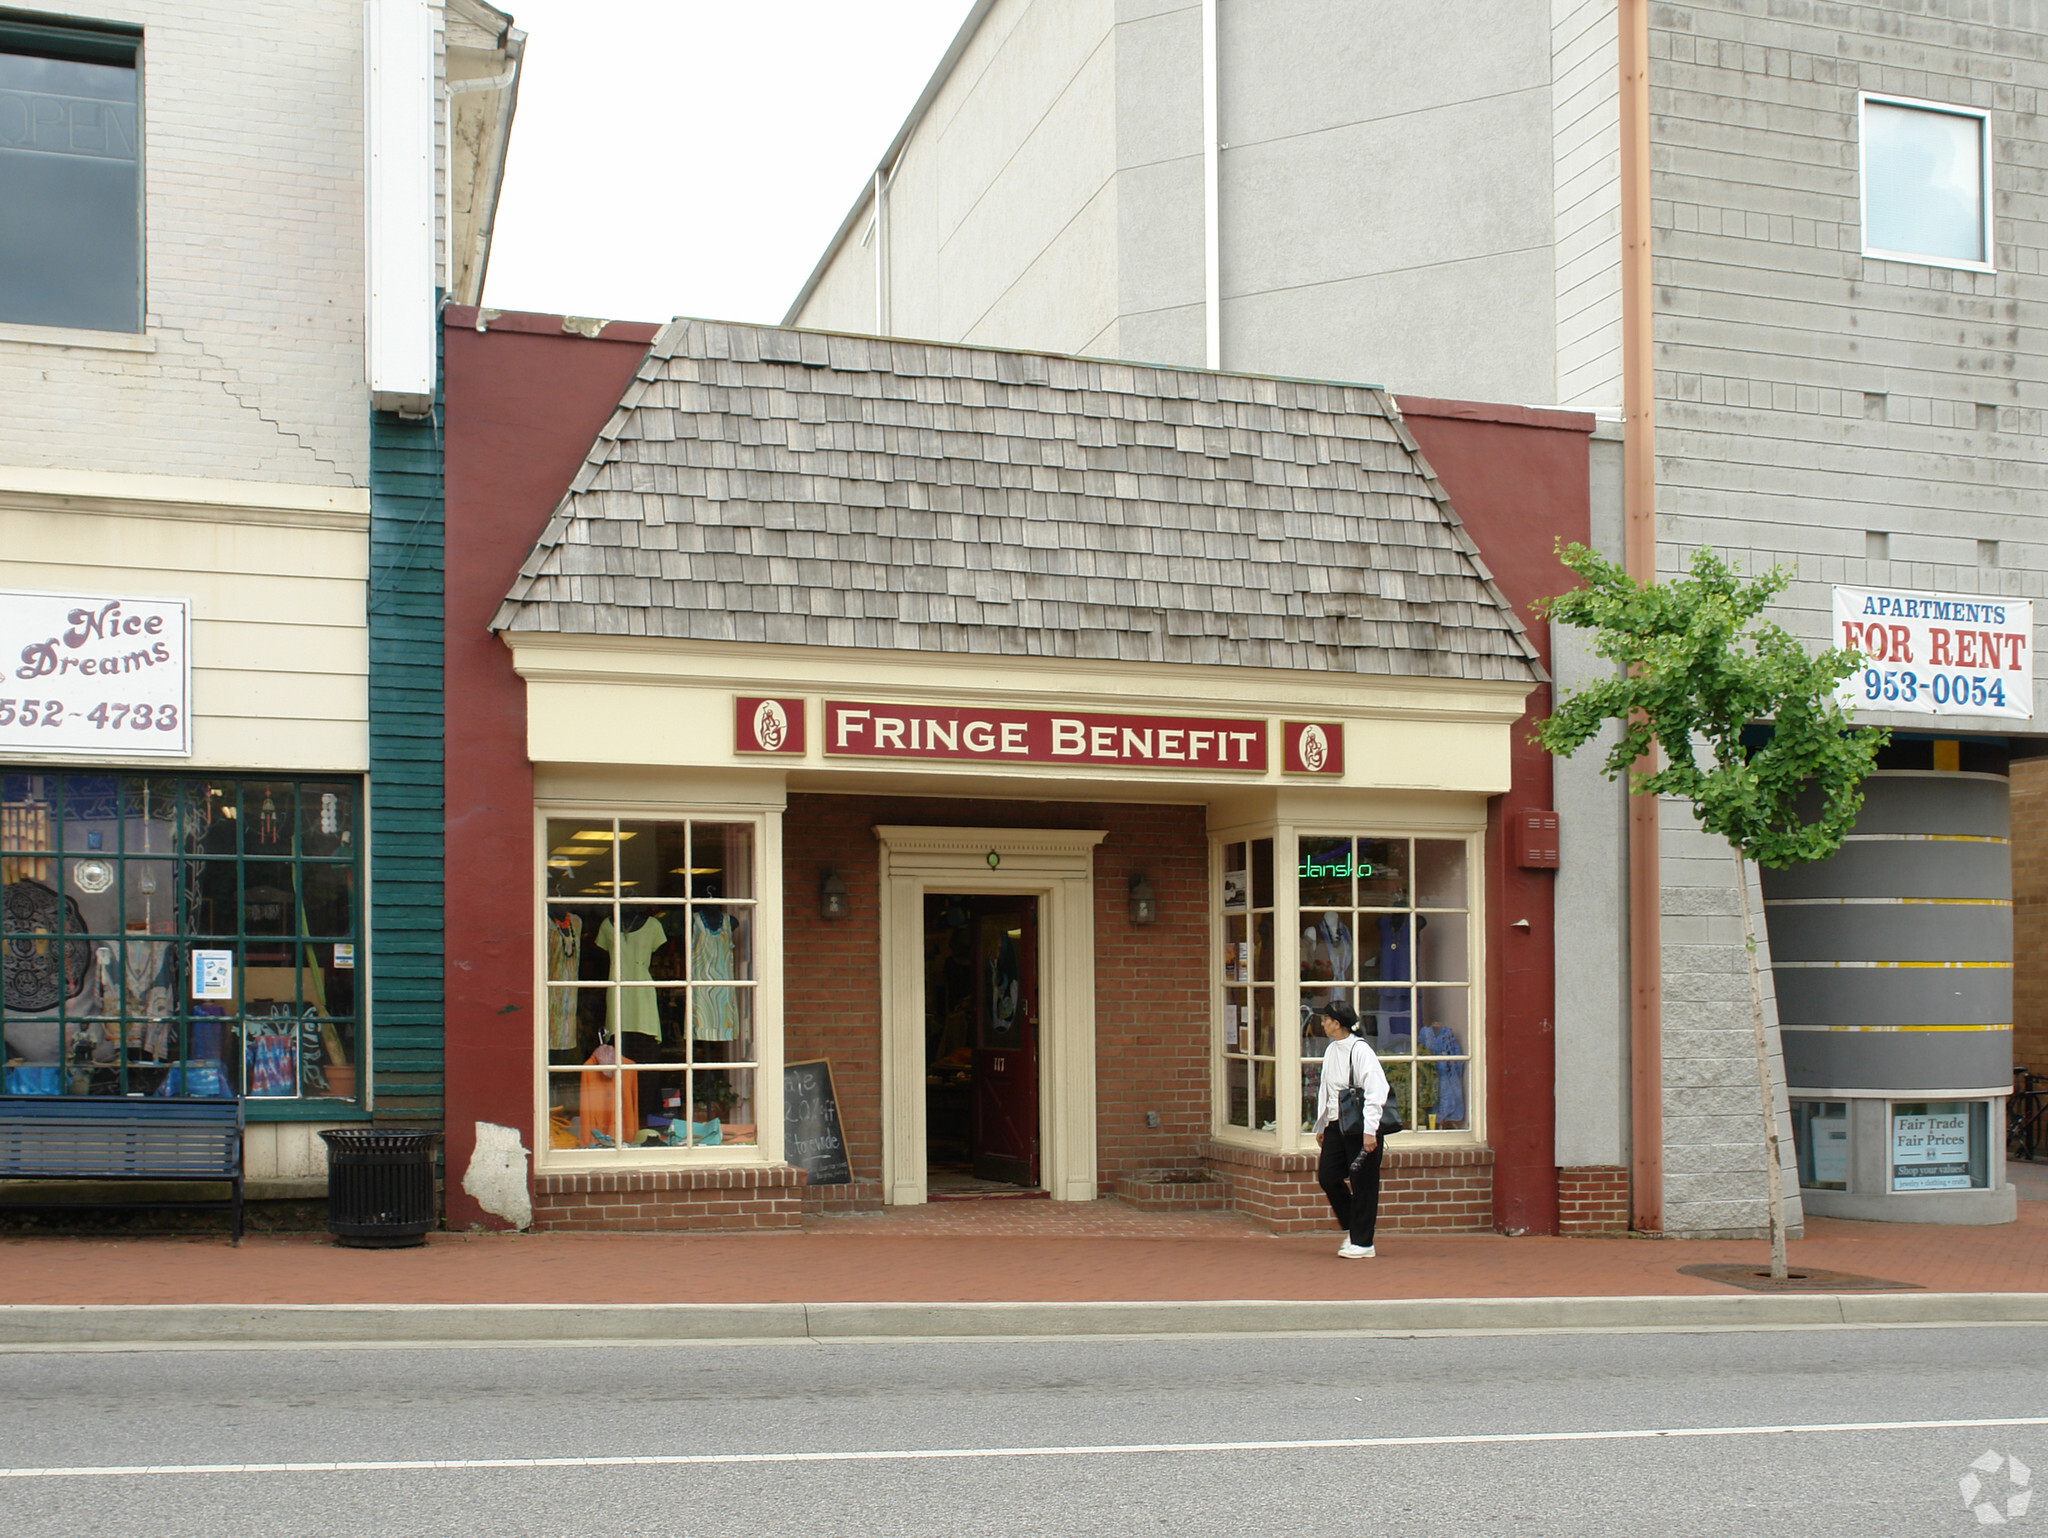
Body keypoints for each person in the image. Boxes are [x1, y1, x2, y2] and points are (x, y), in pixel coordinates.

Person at [1311, 998, 1388, 1259]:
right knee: (1328, 1177)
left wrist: (1370, 1130)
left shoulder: (1360, 1050)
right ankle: (1355, 1228)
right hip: (1336, 1125)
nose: (1322, 1024)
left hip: (1359, 1128)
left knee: (1363, 1183)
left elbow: (1377, 1090)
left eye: (1325, 1020)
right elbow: (1327, 1090)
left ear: (1337, 1022)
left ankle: (1364, 1243)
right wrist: (1322, 1124)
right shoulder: (1332, 1049)